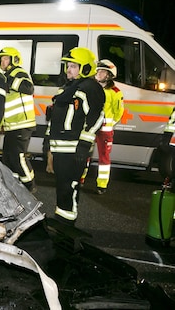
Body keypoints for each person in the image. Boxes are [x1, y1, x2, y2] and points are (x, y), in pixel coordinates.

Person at [46, 47, 104, 226]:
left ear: (85, 68)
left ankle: (67, 224)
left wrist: (84, 145)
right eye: (68, 66)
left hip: (73, 149)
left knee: (68, 187)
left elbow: (97, 117)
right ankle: (61, 221)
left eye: (73, 66)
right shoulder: (69, 88)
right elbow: (55, 119)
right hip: (60, 147)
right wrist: (48, 148)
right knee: (62, 187)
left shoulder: (90, 88)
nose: (69, 69)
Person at [0, 47, 37, 191]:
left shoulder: (18, 72)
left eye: (6, 58)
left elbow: (29, 88)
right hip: (12, 125)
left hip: (22, 123)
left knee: (18, 158)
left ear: (14, 59)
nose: (3, 61)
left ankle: (30, 186)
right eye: (1, 59)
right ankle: (14, 187)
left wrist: (9, 81)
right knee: (8, 159)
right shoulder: (5, 75)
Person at [92, 59, 124, 194]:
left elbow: (119, 112)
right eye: (98, 71)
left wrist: (109, 123)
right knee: (84, 153)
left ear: (109, 75)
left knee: (104, 157)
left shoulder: (115, 92)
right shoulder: (91, 87)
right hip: (90, 127)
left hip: (105, 130)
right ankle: (80, 178)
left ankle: (102, 184)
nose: (99, 74)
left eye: (103, 71)